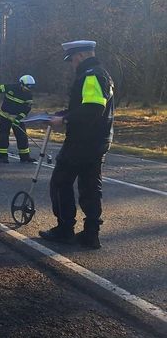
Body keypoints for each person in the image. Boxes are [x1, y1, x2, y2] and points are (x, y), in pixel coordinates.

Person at [39, 40, 114, 250]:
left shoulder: (90, 75)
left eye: (72, 59)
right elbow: (89, 106)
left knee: (61, 182)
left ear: (80, 56)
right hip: (99, 140)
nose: (72, 64)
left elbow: (91, 109)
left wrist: (64, 121)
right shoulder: (103, 73)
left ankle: (65, 229)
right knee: (90, 186)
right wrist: (64, 114)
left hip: (82, 141)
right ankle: (91, 235)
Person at [0, 75, 37, 164]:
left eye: (31, 87)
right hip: (5, 116)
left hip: (17, 118)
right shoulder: (10, 87)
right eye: (28, 86)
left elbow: (27, 109)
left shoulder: (29, 95)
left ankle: (25, 157)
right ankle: (3, 157)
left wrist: (18, 118)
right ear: (21, 84)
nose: (29, 89)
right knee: (3, 136)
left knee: (22, 137)